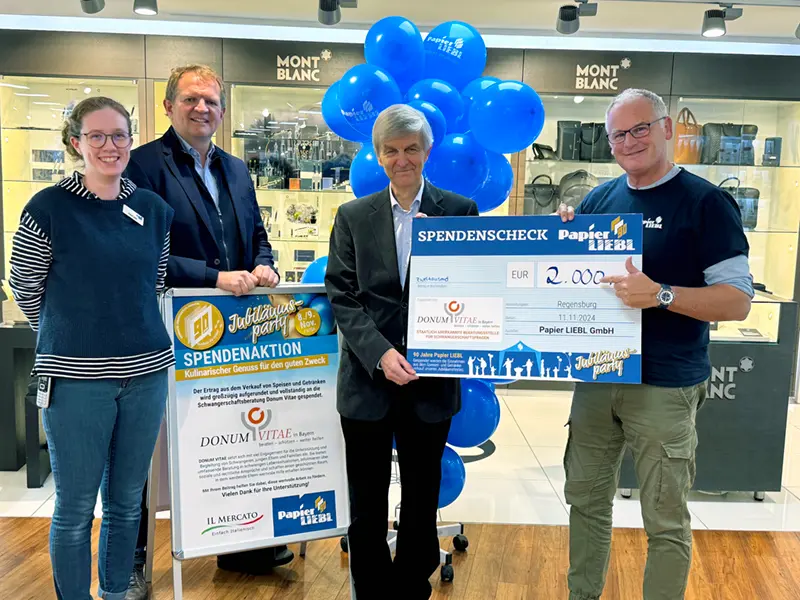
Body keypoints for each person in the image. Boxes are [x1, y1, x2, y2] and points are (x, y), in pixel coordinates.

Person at [557, 88, 754, 600]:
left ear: (666, 128)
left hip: (665, 385)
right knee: (585, 502)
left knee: (664, 519)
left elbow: (737, 301)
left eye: (640, 128)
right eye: (618, 134)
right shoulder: (600, 199)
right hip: (599, 375)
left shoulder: (706, 203)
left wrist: (662, 294)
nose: (629, 141)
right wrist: (561, 238)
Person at [124, 64, 288, 598]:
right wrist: (213, 277)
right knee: (147, 449)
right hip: (164, 328)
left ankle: (243, 544)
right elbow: (141, 251)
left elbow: (257, 233)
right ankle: (132, 560)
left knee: (233, 435)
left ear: (222, 110)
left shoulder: (235, 168)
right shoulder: (142, 165)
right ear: (168, 106)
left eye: (211, 101)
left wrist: (264, 264)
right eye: (191, 99)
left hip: (232, 330)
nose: (202, 109)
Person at [9, 97, 174, 600]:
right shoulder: (47, 209)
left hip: (146, 374)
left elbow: (155, 283)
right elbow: (25, 286)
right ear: (75, 142)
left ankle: (116, 592)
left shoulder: (153, 209)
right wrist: (67, 334)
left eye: (119, 135)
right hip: (75, 381)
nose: (109, 146)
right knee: (77, 508)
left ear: (131, 140)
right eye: (96, 136)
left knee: (126, 504)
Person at [325, 104, 479, 600]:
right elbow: (342, 294)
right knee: (366, 501)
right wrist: (380, 354)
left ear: (426, 151)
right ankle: (371, 590)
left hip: (431, 382)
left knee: (421, 498)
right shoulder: (353, 216)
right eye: (391, 151)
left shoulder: (459, 212)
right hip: (368, 381)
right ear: (377, 155)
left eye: (411, 149)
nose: (402, 159)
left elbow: (475, 287)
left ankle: (413, 586)